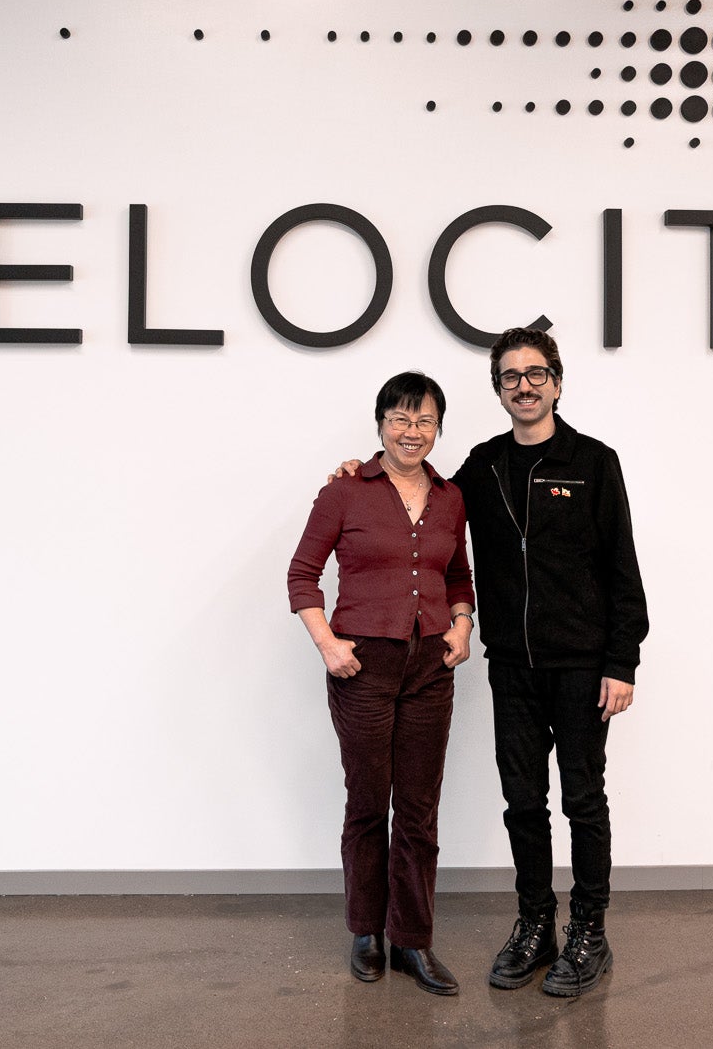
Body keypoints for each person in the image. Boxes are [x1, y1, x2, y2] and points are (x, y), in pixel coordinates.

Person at [331, 327, 648, 997]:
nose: (524, 385)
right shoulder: (483, 467)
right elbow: (418, 489)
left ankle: (589, 930)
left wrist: (622, 661)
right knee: (523, 802)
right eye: (511, 376)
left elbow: (623, 569)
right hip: (513, 666)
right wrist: (354, 475)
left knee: (583, 799)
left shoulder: (595, 461)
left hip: (585, 666)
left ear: (557, 383)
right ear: (499, 388)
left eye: (536, 373)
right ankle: (536, 923)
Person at [287, 371, 476, 995]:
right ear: (380, 424)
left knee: (419, 811)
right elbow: (302, 575)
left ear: (438, 428)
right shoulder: (344, 491)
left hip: (430, 668)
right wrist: (328, 644)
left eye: (424, 420)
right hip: (363, 665)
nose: (411, 431)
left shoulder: (450, 497)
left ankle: (413, 941)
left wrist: (461, 625)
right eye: (400, 418)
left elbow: (458, 577)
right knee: (369, 803)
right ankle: (365, 931)